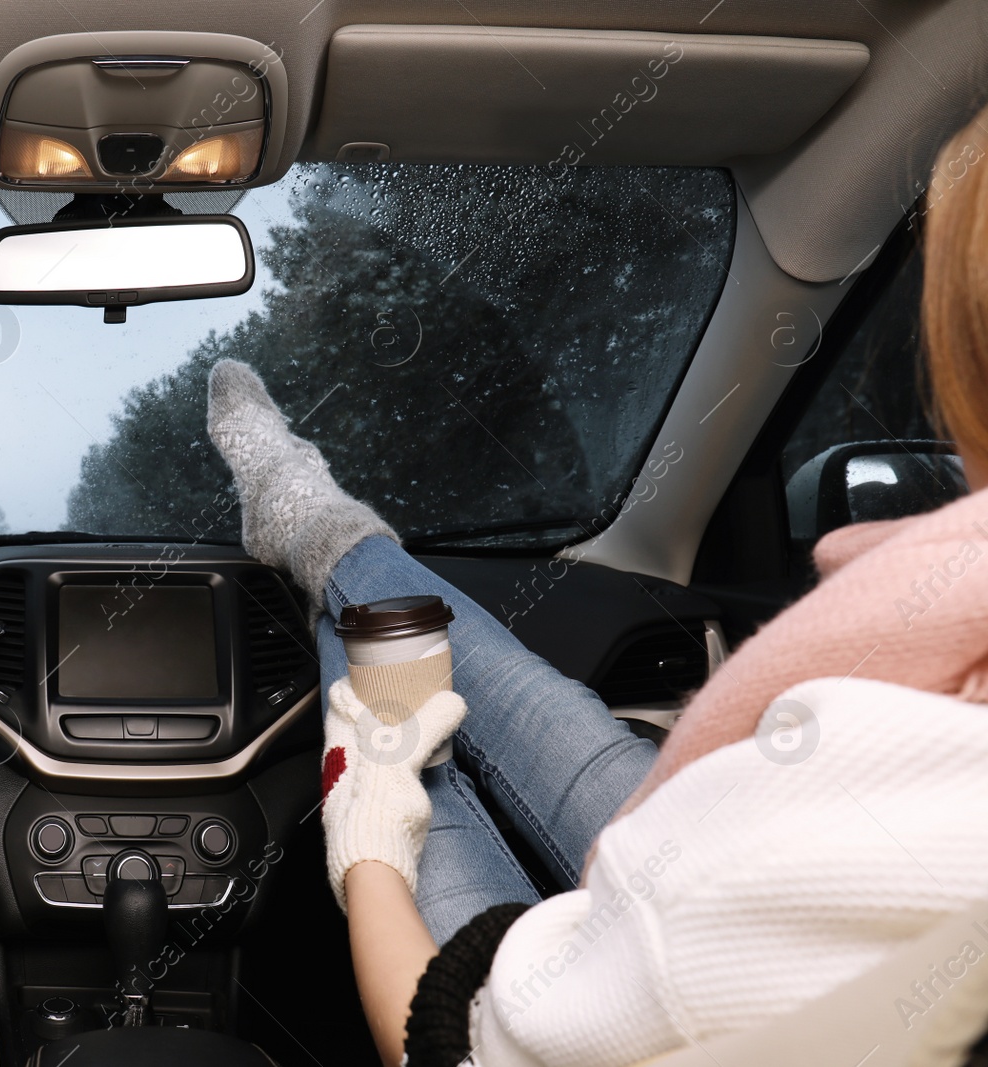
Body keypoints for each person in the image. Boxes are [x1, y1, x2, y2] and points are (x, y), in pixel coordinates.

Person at [201, 106, 988, 1067]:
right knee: (507, 698)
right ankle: (316, 531)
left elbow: (453, 1045)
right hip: (721, 882)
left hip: (643, 963)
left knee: (394, 738)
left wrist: (364, 839)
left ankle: (312, 526)